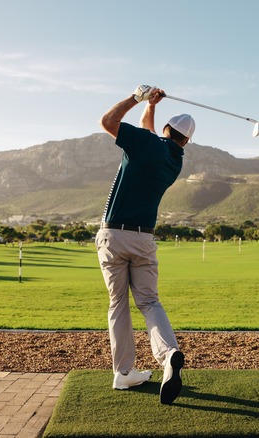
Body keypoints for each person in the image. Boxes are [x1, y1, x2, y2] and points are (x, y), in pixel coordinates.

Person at [97, 85, 195, 405]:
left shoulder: (144, 142)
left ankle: (124, 372)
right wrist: (151, 108)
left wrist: (137, 98)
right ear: (186, 140)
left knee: (118, 305)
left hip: (115, 235)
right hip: (145, 239)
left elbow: (108, 121)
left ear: (167, 130)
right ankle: (168, 357)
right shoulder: (174, 159)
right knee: (150, 302)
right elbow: (147, 131)